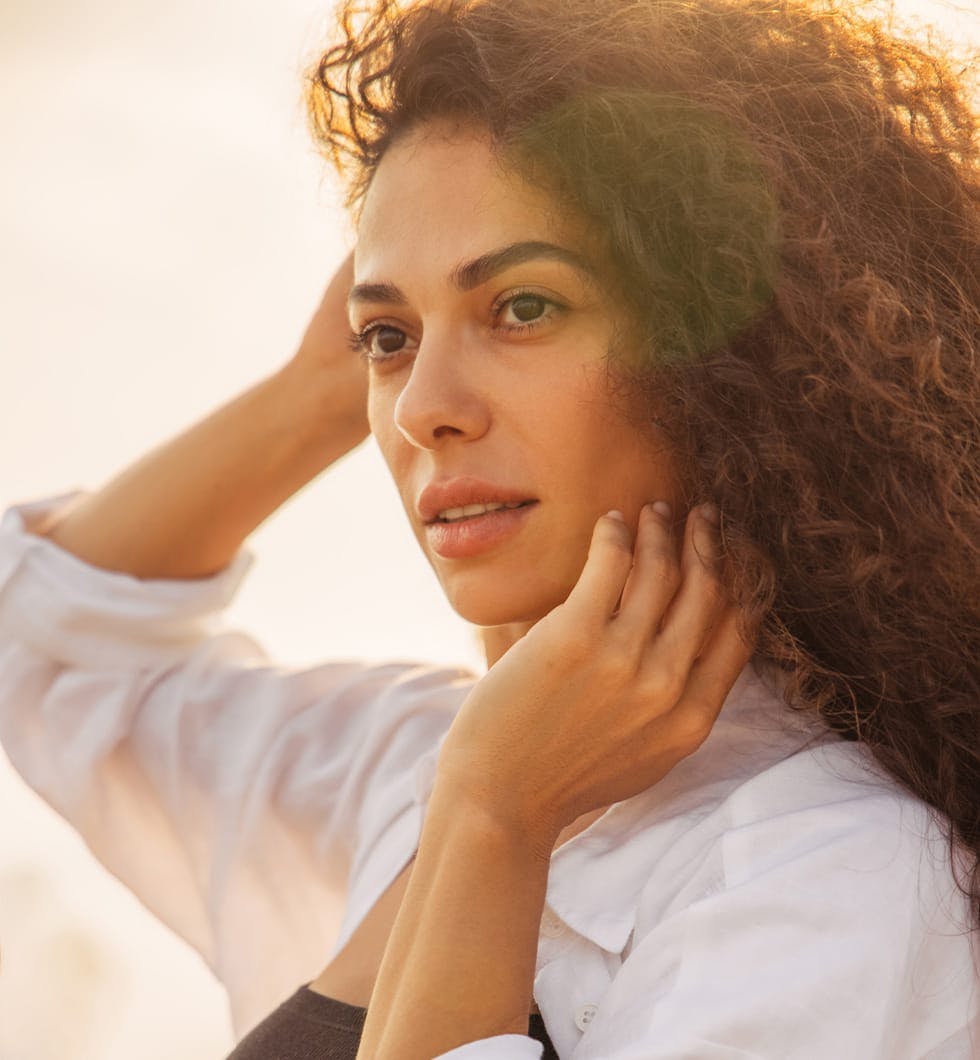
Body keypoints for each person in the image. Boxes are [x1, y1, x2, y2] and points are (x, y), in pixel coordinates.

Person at [1, 0, 978, 1056]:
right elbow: (42, 643)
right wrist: (313, 390)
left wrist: (492, 825)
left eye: (523, 307)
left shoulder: (834, 873)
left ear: (738, 358)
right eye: (387, 336)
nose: (422, 405)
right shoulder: (418, 761)